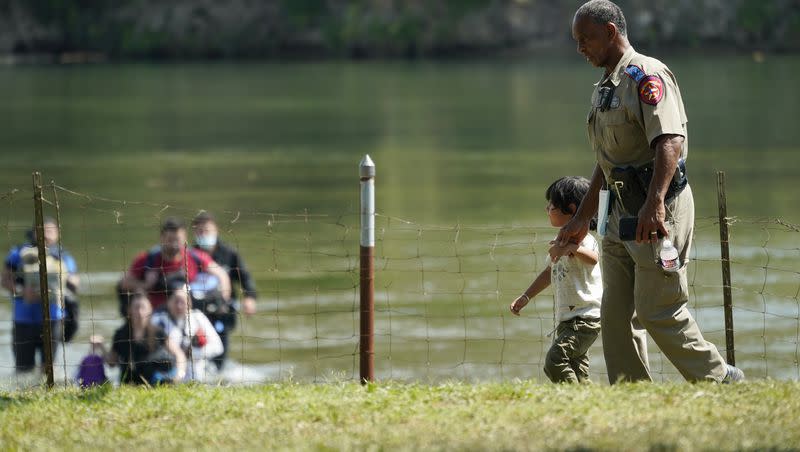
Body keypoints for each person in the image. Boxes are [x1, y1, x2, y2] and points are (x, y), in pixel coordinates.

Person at [558, 0, 744, 383]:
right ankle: (632, 394)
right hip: (617, 214)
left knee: (658, 309)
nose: (580, 48)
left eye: (586, 39)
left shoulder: (647, 76)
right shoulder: (605, 87)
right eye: (578, 41)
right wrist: (581, 219)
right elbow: (607, 162)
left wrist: (655, 204)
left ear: (611, 32)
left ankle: (721, 379)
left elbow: (670, 142)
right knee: (615, 314)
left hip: (657, 211)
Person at [510, 177, 602, 383]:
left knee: (555, 360)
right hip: (568, 318)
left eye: (551, 205)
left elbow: (594, 259)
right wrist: (526, 296)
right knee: (578, 366)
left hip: (585, 317)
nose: (547, 208)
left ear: (570, 209)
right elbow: (549, 273)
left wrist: (573, 249)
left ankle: (572, 396)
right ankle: (584, 400)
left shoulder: (585, 240)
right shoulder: (560, 241)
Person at [1, 217, 80, 373]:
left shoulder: (63, 256)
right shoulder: (18, 253)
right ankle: (23, 395)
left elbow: (75, 282)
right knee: (23, 369)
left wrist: (62, 281)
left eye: (50, 230)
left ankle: (48, 394)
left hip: (53, 318)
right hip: (24, 318)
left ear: (57, 234)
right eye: (42, 230)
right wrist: (22, 292)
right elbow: (3, 280)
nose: (46, 234)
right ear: (34, 232)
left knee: (49, 368)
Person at [118, 217, 231, 312]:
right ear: (162, 238)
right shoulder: (147, 259)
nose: (174, 244)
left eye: (178, 239)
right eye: (170, 239)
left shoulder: (196, 257)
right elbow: (124, 283)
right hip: (155, 316)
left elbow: (222, 275)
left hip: (188, 314)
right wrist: (146, 285)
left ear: (185, 238)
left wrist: (223, 302)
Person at [191, 211, 258, 369]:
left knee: (220, 351)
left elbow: (245, 277)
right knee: (198, 348)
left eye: (207, 230)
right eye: (200, 231)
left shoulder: (229, 254)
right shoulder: (190, 255)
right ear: (194, 233)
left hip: (223, 311)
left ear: (216, 230)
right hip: (197, 311)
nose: (204, 234)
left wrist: (249, 298)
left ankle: (218, 374)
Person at [98, 293, 186, 385]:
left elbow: (179, 354)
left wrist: (180, 374)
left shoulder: (157, 332)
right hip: (128, 383)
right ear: (129, 310)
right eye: (136, 307)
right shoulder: (120, 334)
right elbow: (112, 363)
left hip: (154, 382)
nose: (140, 312)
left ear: (150, 310)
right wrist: (101, 347)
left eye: (143, 308)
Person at [151, 279, 223, 382]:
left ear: (189, 302)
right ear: (168, 301)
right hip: (167, 369)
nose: (179, 306)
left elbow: (218, 347)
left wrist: (193, 353)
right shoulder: (157, 320)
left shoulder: (198, 317)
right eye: (176, 301)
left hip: (196, 372)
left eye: (183, 301)